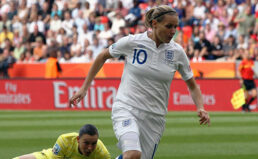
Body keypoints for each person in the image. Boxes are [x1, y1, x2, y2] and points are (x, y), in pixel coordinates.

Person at [69, 5, 210, 159]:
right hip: (127, 108)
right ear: (154, 24)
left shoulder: (177, 52)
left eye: (175, 27)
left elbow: (193, 86)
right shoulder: (133, 42)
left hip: (155, 119)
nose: (173, 31)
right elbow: (102, 56)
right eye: (168, 26)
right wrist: (84, 88)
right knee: (133, 154)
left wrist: (201, 107)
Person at [13, 124, 111, 159]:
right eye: (86, 143)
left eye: (94, 143)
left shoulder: (102, 153)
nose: (90, 147)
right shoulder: (65, 140)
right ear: (78, 139)